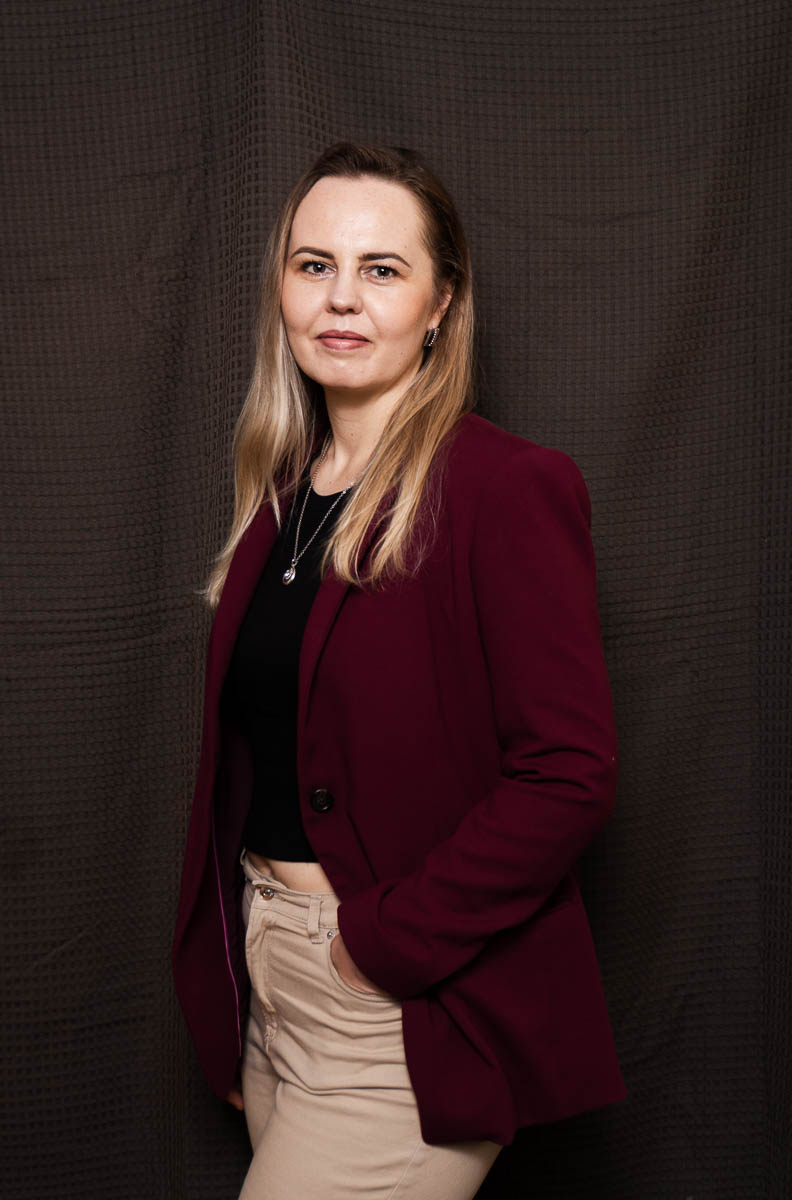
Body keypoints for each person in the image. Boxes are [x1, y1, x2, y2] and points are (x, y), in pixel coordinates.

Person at [172, 140, 627, 1199]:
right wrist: (244, 977)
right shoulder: (280, 498)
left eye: (381, 270)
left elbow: (567, 774)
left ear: (439, 303)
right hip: (271, 981)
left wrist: (373, 945)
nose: (341, 298)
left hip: (395, 1001)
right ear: (280, 290)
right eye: (312, 264)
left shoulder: (504, 489)